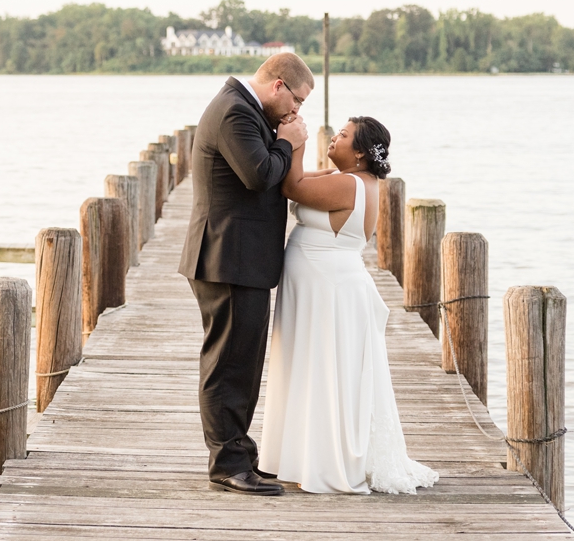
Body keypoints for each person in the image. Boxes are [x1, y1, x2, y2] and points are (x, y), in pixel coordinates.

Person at [257, 116, 439, 494]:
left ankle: (323, 461)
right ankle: (301, 454)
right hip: (320, 284)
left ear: (359, 152)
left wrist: (294, 141)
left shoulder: (350, 184)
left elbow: (292, 185)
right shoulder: (353, 178)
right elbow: (306, 179)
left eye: (341, 136)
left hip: (328, 288)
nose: (333, 139)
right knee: (311, 366)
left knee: (321, 368)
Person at [179, 51, 312, 496]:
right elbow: (259, 175)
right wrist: (289, 141)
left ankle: (240, 454)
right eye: (297, 100)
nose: (297, 111)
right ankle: (227, 464)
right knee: (228, 364)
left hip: (240, 258)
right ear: (277, 85)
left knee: (244, 361)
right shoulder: (234, 111)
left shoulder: (246, 108)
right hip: (226, 258)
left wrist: (283, 137)